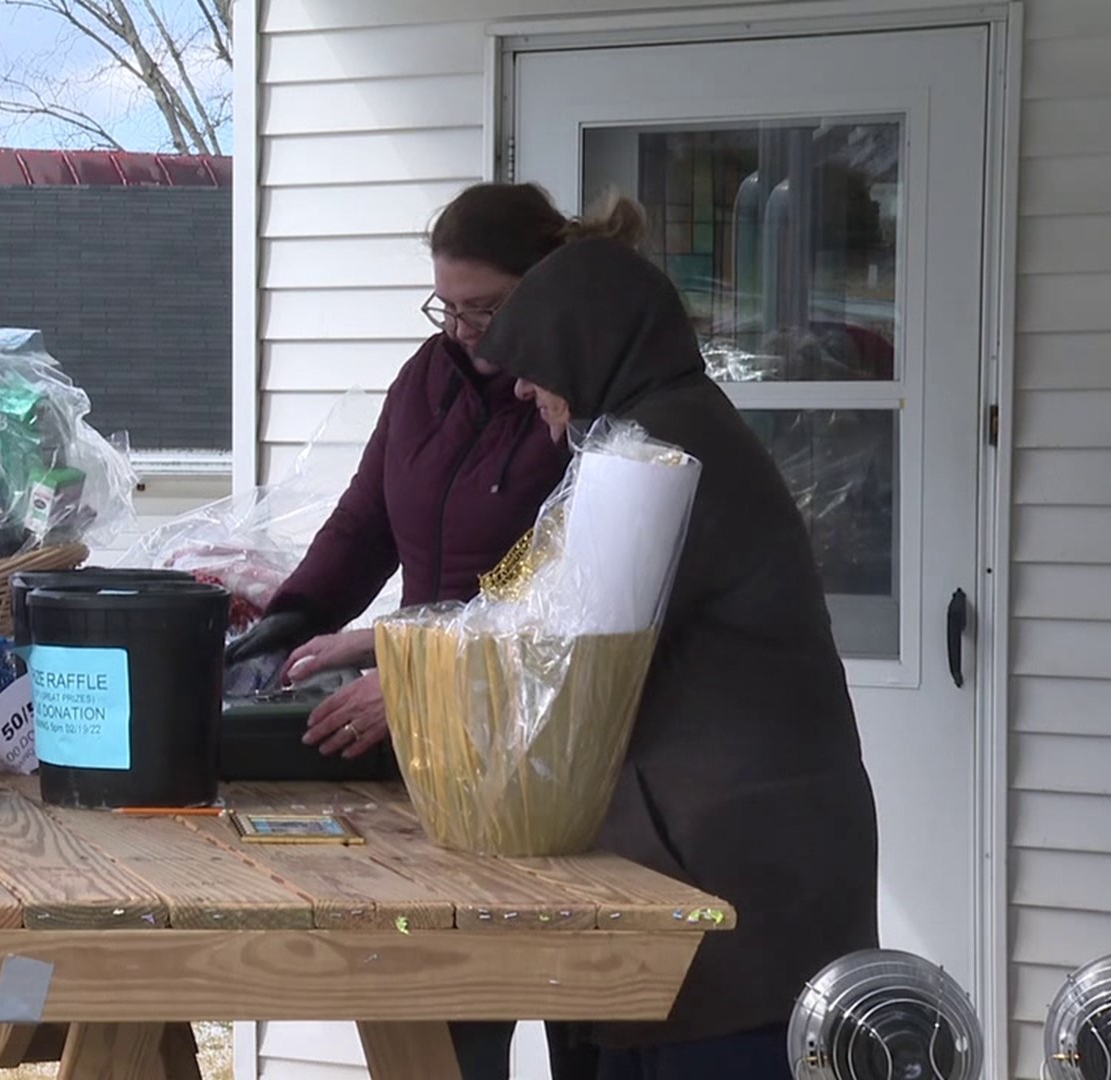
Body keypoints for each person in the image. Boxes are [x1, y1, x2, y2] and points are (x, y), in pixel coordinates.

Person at [459, 236, 880, 1079]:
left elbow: (559, 652)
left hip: (739, 872)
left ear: (589, 343)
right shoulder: (650, 433)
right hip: (735, 852)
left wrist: (409, 691)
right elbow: (538, 607)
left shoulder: (661, 452)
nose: (522, 385)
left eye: (536, 358)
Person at [224, 183, 641, 761]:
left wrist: (412, 667)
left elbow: (561, 596)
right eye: (447, 307)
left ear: (545, 289)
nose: (461, 329)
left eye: (485, 308)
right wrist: (292, 621)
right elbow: (365, 523)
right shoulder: (425, 379)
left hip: (526, 717)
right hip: (415, 699)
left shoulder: (576, 402)